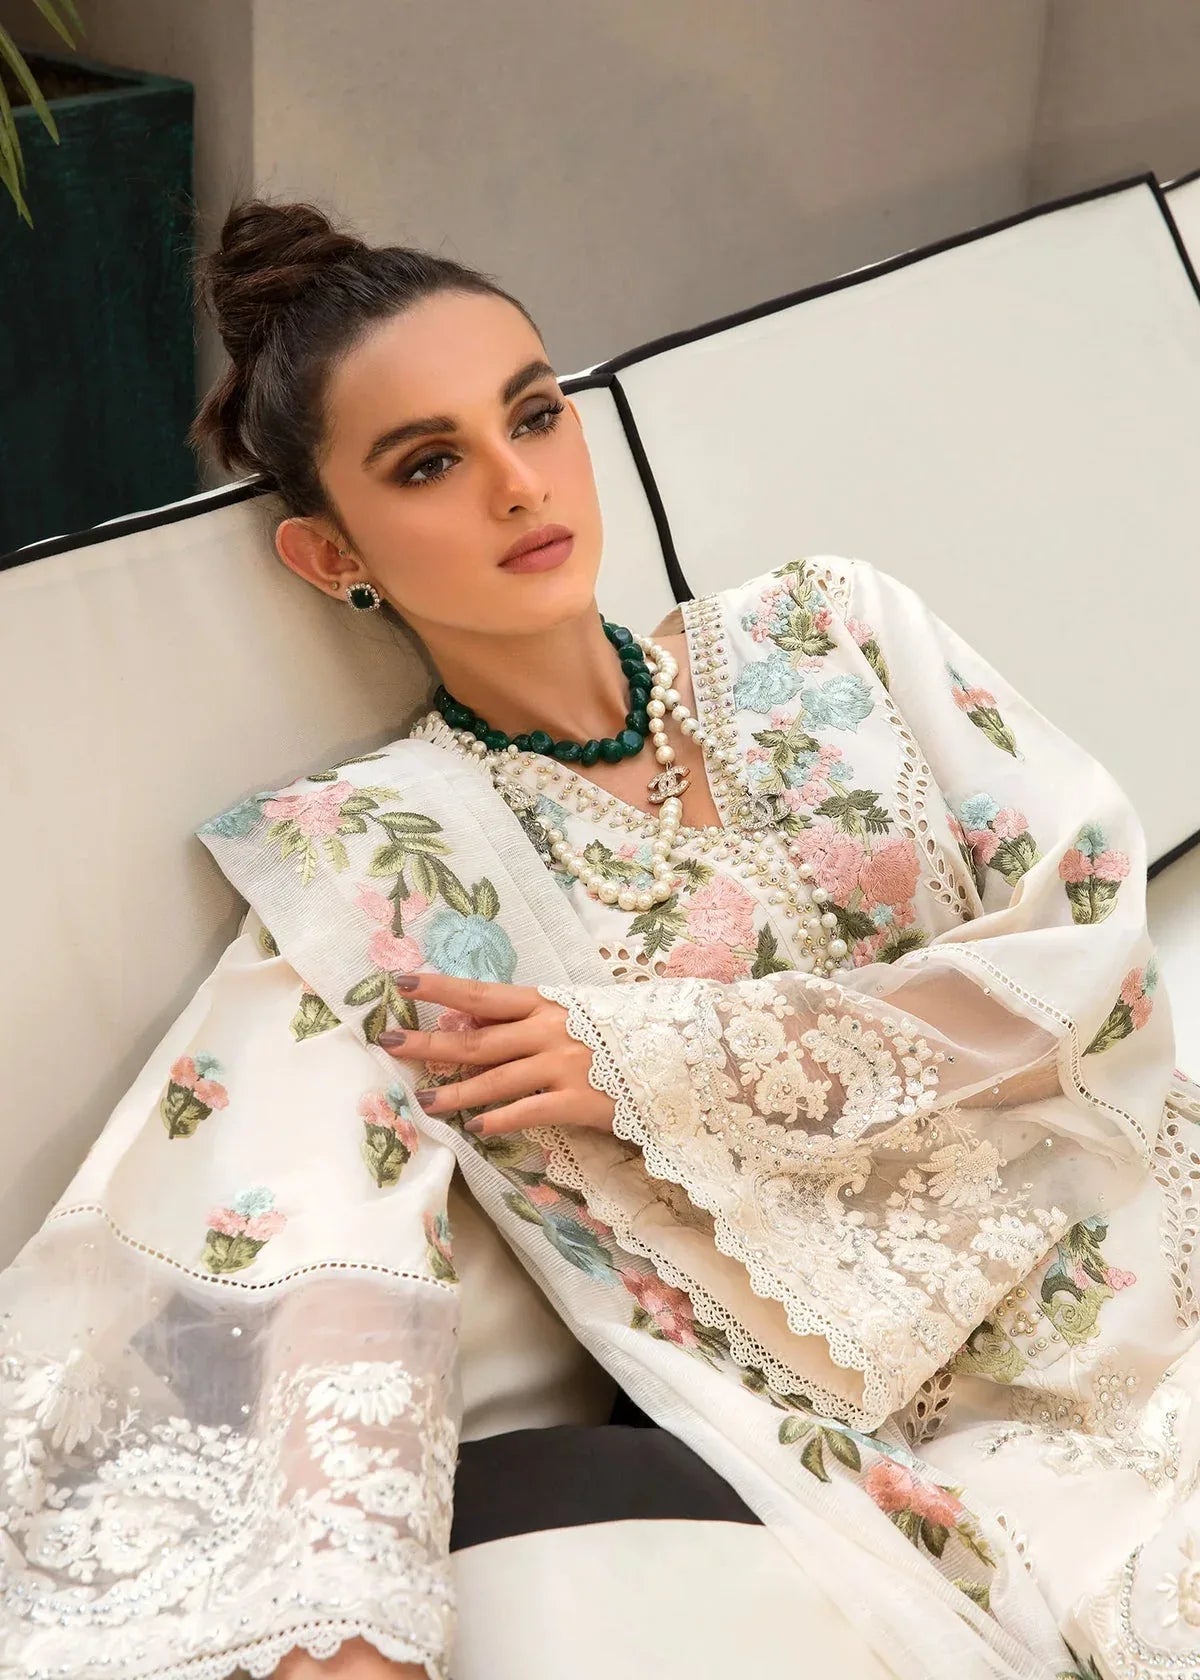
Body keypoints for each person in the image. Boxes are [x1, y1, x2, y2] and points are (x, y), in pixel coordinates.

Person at [1, 198, 1197, 1680]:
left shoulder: (836, 630)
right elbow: (300, 1229)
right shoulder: (382, 859)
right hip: (938, 1439)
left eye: (536, 416)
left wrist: (658, 1055)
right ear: (329, 557)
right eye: (430, 463)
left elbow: (1083, 946)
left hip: (1153, 1245)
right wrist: (342, 1629)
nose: (518, 486)